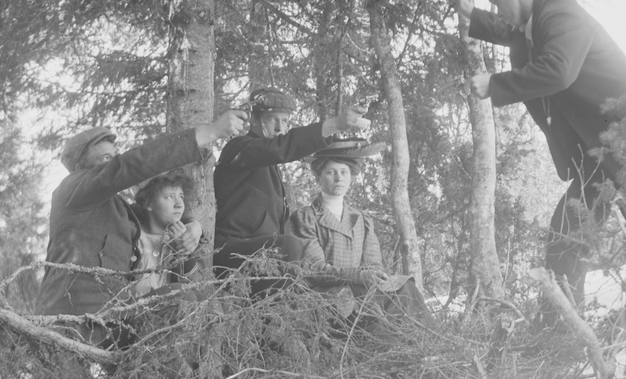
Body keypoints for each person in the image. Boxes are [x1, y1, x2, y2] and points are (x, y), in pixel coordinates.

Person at [455, 0, 626, 326]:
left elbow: (559, 70)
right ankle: (558, 336)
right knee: (564, 239)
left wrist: (496, 84)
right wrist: (472, 14)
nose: (498, 11)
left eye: (496, 1)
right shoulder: (533, 24)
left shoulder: (560, 11)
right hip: (596, 149)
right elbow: (509, 30)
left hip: (624, 136)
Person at [36, 111, 247, 345]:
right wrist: (209, 132)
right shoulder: (72, 189)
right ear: (80, 167)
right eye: (107, 159)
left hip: (113, 318)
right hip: (72, 318)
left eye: (115, 157)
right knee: (177, 297)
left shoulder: (113, 207)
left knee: (197, 302)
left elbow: (155, 215)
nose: (115, 162)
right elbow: (131, 166)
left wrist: (193, 225)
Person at [212, 87, 371, 283]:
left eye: (285, 121)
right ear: (253, 120)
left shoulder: (269, 165)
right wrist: (335, 125)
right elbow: (280, 148)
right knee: (288, 246)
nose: (280, 128)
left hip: (261, 262)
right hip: (230, 253)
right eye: (273, 120)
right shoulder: (239, 149)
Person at [289, 139, 432, 326]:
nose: (339, 178)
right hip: (327, 294)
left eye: (344, 172)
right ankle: (383, 344)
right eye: (331, 172)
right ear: (318, 178)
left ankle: (423, 347)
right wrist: (360, 276)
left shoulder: (362, 219)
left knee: (406, 287)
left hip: (360, 287)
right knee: (363, 305)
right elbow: (315, 270)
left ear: (351, 177)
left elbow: (373, 265)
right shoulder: (306, 217)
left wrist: (374, 277)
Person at [129, 172, 197, 299]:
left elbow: (190, 285)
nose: (179, 204)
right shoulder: (133, 238)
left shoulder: (185, 239)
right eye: (169, 197)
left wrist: (181, 254)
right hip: (132, 312)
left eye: (181, 197)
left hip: (169, 313)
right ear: (148, 203)